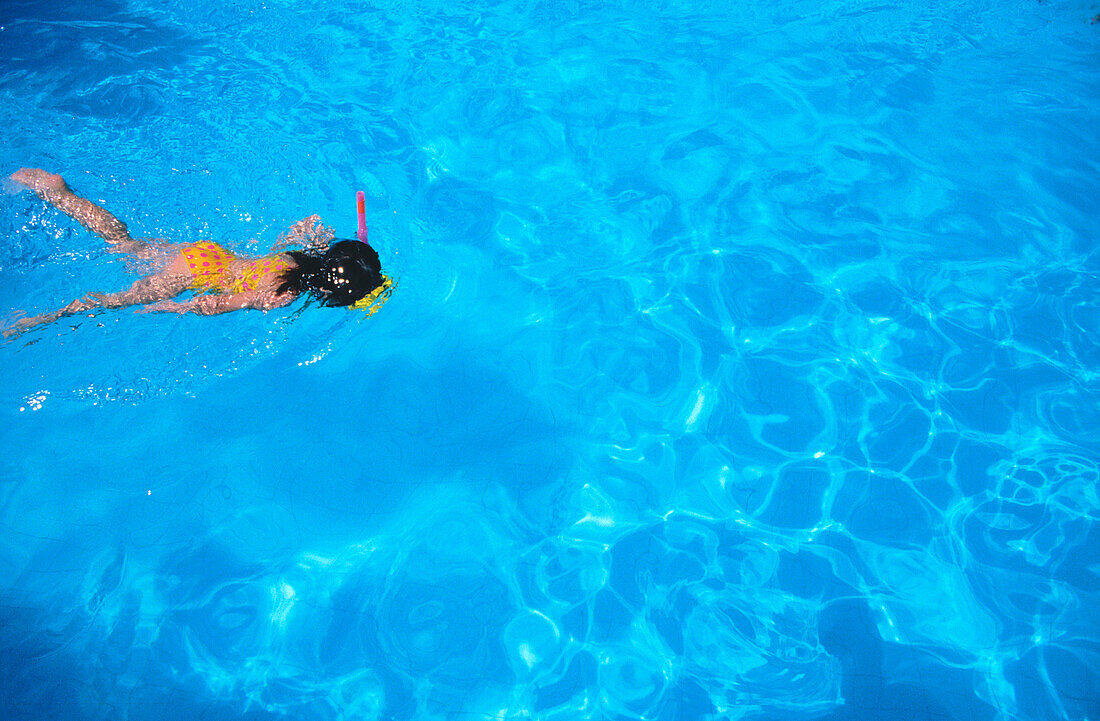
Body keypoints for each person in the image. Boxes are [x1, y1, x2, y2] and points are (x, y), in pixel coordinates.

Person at [3, 168, 391, 337]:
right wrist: (177, 307)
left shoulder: (304, 257)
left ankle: (61, 194)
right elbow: (224, 304)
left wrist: (317, 237)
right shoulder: (283, 296)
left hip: (210, 256)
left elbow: (286, 240)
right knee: (107, 299)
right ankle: (35, 319)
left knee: (128, 243)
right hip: (190, 274)